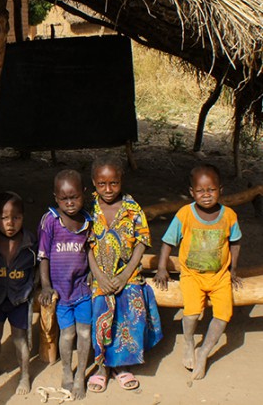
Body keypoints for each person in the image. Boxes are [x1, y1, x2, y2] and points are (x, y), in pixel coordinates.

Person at [153, 164, 242, 380]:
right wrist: (163, 268)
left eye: (211, 190)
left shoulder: (228, 215)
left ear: (220, 189)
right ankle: (190, 341)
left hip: (219, 277)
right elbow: (167, 242)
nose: (206, 195)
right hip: (192, 276)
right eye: (201, 191)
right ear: (192, 192)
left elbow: (235, 243)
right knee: (191, 314)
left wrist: (233, 270)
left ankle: (204, 351)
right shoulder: (185, 214)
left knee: (223, 316)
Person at [87, 156, 162, 392]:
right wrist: (98, 275)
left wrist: (125, 274)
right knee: (100, 304)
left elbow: (142, 241)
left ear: (121, 181)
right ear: (93, 183)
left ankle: (122, 365)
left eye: (114, 183)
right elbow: (85, 245)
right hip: (97, 274)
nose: (108, 189)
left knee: (130, 304)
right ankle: (102, 366)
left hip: (127, 274)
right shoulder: (89, 209)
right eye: (102, 184)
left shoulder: (132, 208)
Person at [38, 170, 92, 400]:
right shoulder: (50, 221)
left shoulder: (88, 221)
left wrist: (91, 273)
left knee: (85, 332)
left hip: (82, 289)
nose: (70, 203)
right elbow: (44, 256)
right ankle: (66, 371)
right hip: (60, 291)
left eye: (75, 197)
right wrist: (46, 285)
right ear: (55, 197)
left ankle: (80, 375)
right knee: (67, 333)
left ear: (84, 194)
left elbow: (90, 251)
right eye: (64, 199)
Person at [0, 191, 37, 395]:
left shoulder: (30, 243)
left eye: (16, 217)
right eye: (4, 218)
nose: (10, 223)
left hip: (20, 299)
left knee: (20, 339)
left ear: (23, 217)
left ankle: (24, 375)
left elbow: (40, 266)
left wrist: (38, 288)